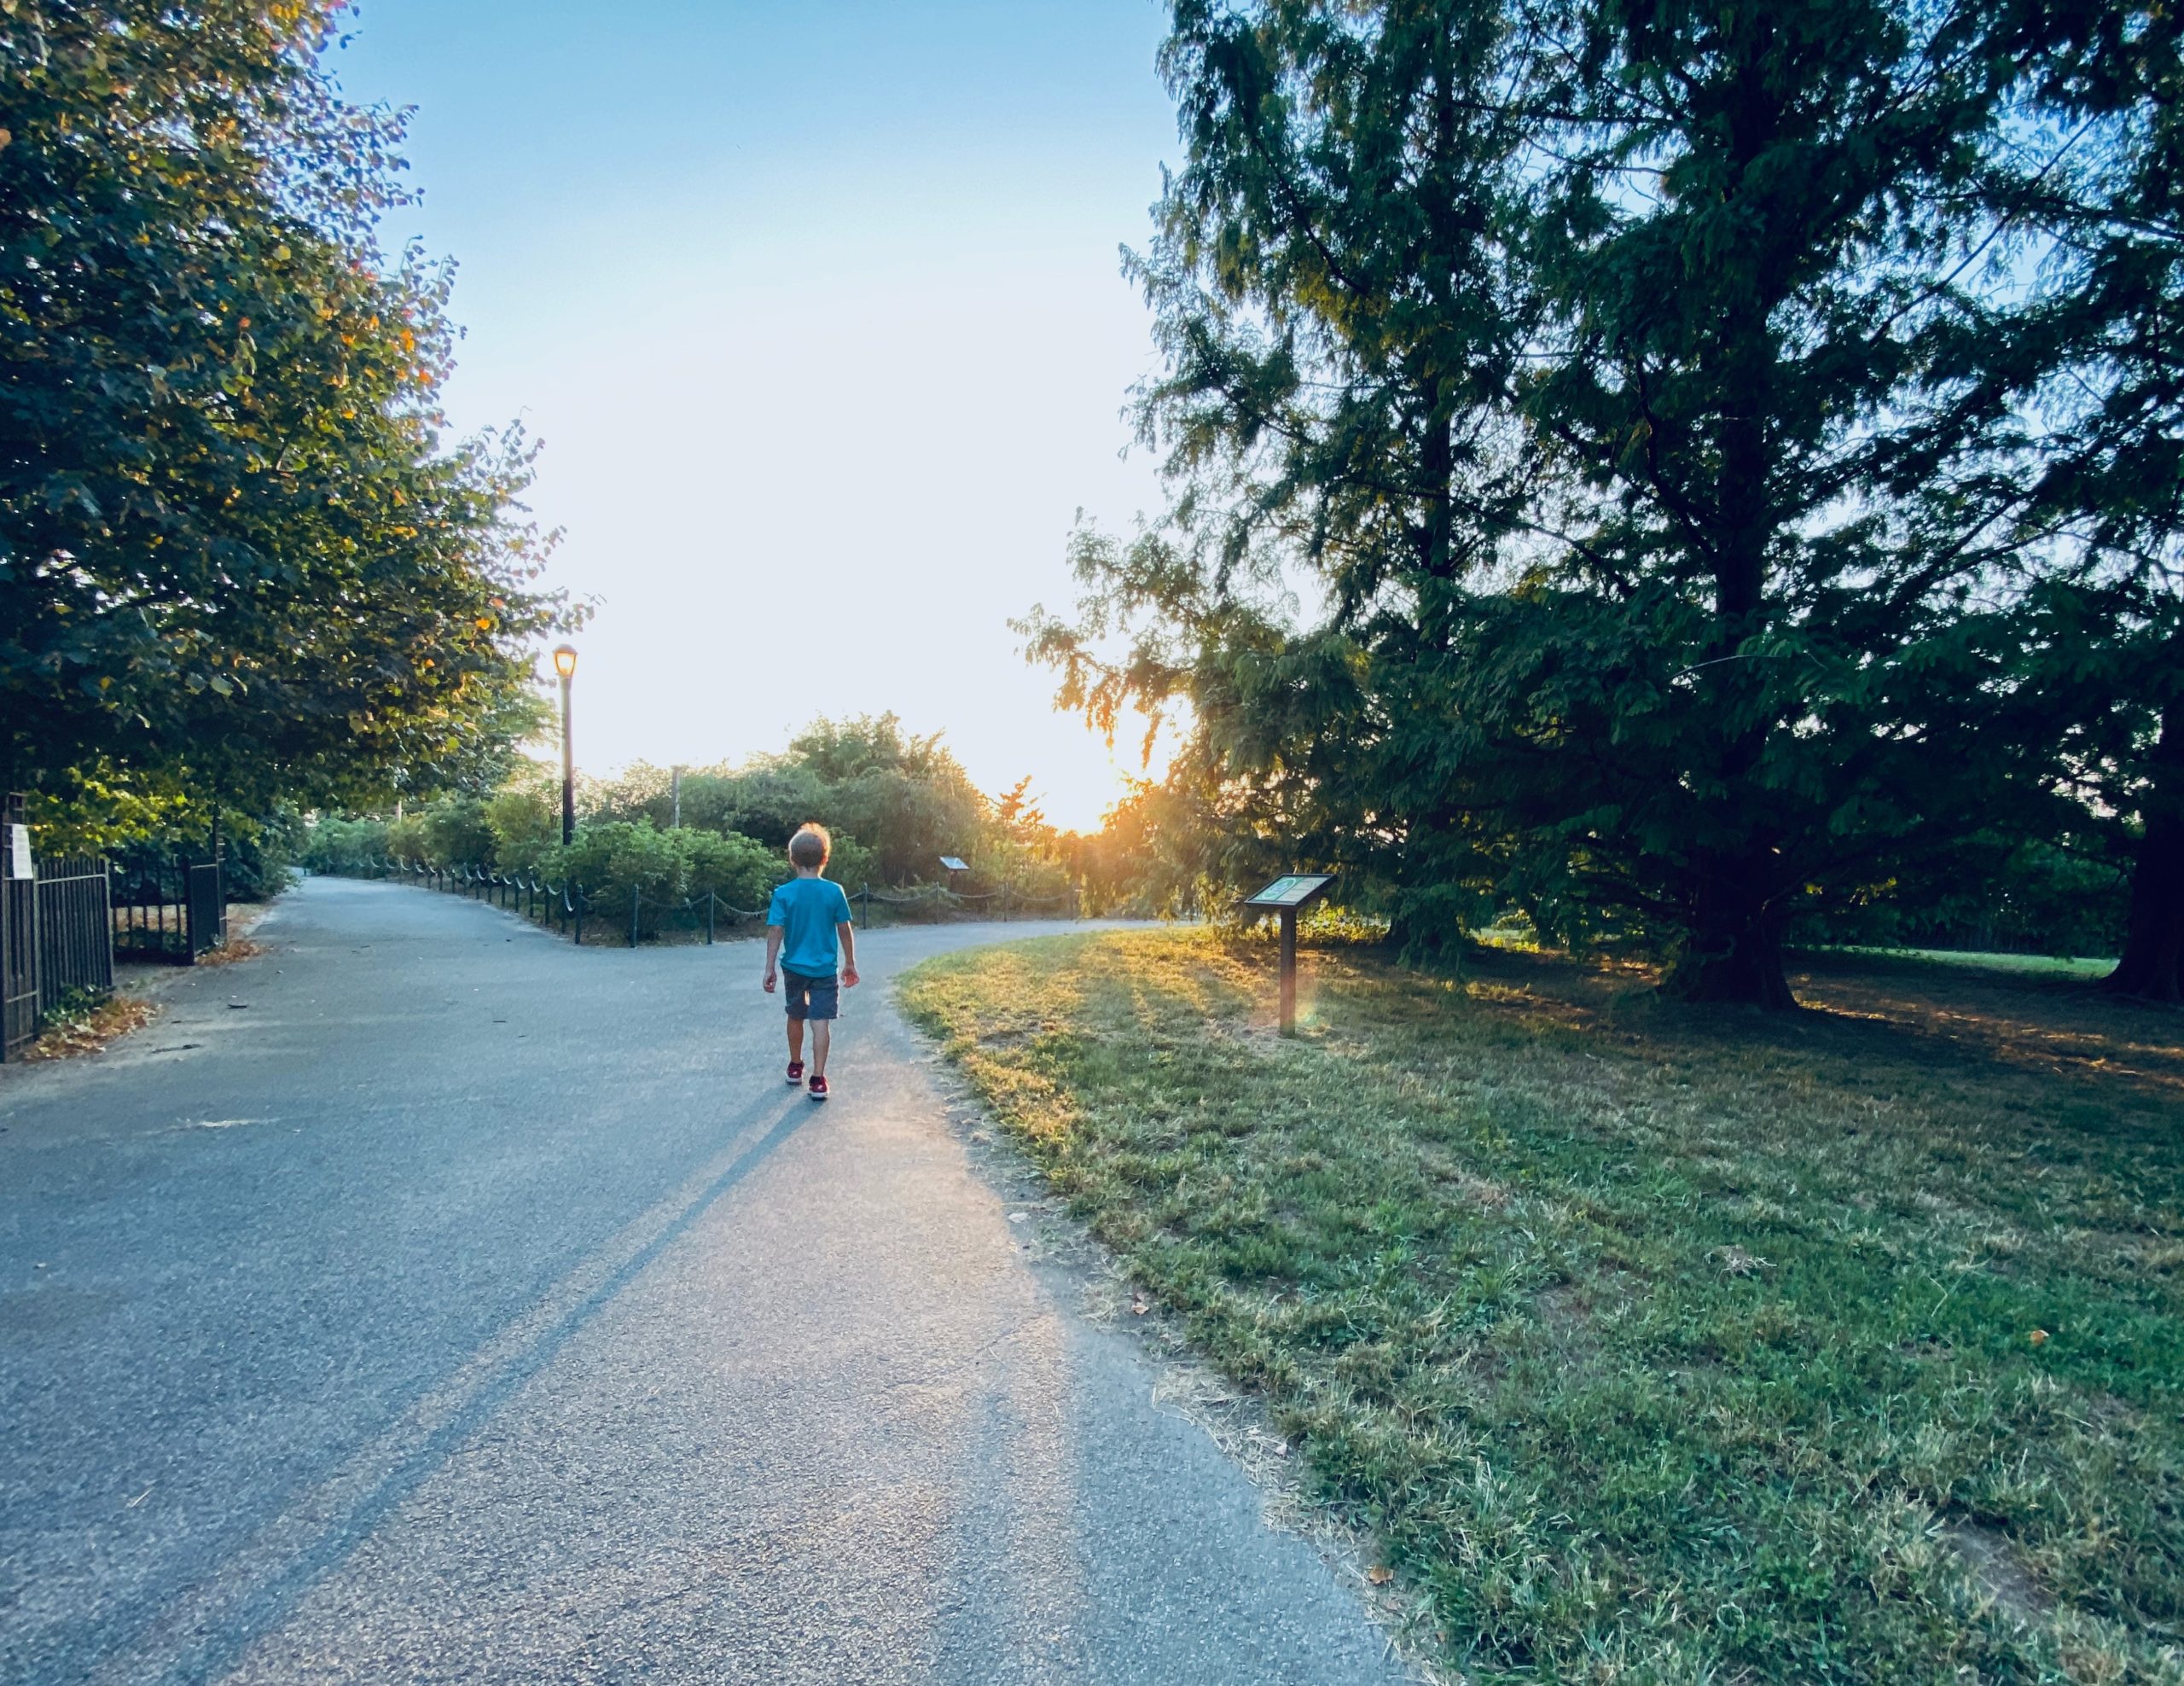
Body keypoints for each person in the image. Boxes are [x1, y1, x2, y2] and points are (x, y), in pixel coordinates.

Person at [763, 823, 859, 1100]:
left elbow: (776, 931)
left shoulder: (783, 894)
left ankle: (795, 1066)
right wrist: (850, 962)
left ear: (792, 859)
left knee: (795, 1015)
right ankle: (818, 1079)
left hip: (794, 967)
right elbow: (844, 928)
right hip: (825, 970)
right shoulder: (834, 891)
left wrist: (769, 967)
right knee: (820, 1022)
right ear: (825, 858)